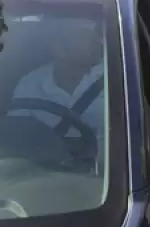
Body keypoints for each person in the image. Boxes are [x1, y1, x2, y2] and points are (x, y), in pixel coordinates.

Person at [9, 22, 106, 162]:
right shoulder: (31, 83)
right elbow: (16, 132)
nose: (97, 41)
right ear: (59, 50)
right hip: (47, 170)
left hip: (107, 169)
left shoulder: (115, 75)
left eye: (95, 36)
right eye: (84, 36)